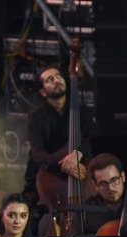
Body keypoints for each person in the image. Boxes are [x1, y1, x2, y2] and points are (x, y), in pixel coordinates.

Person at [24, 64, 94, 226]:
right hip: (45, 175)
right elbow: (38, 154)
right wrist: (64, 165)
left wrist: (77, 154)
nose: (57, 80)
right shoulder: (35, 116)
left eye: (59, 76)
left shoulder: (82, 110)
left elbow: (93, 138)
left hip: (79, 170)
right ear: (43, 92)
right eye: (50, 79)